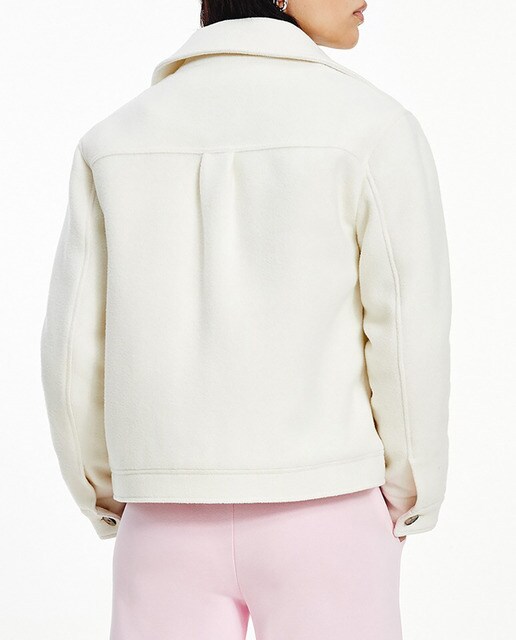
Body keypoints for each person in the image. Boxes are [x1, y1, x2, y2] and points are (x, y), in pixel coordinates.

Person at [40, 1, 452, 638]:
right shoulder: (373, 128)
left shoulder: (113, 140)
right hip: (329, 508)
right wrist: (408, 490)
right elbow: (406, 332)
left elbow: (72, 349)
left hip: (163, 516)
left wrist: (112, 494)